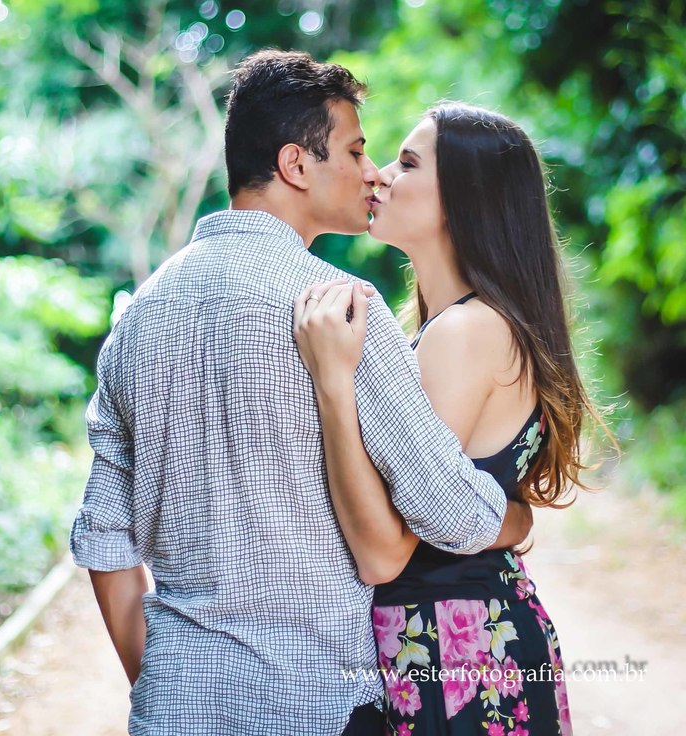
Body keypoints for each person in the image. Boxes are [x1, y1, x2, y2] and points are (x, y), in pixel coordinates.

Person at [68, 51, 533, 736]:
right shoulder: (343, 311)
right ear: (296, 165)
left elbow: (107, 545)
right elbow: (456, 516)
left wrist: (171, 686)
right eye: (353, 149)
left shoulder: (138, 317)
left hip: (173, 709)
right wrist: (517, 517)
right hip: (318, 705)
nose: (370, 173)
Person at [293, 103, 605, 734]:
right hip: (468, 638)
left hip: (450, 649)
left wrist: (332, 383)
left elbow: (388, 540)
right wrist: (510, 519)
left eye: (407, 163)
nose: (378, 175)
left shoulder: (464, 332)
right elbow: (477, 505)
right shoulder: (465, 325)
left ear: (466, 199)